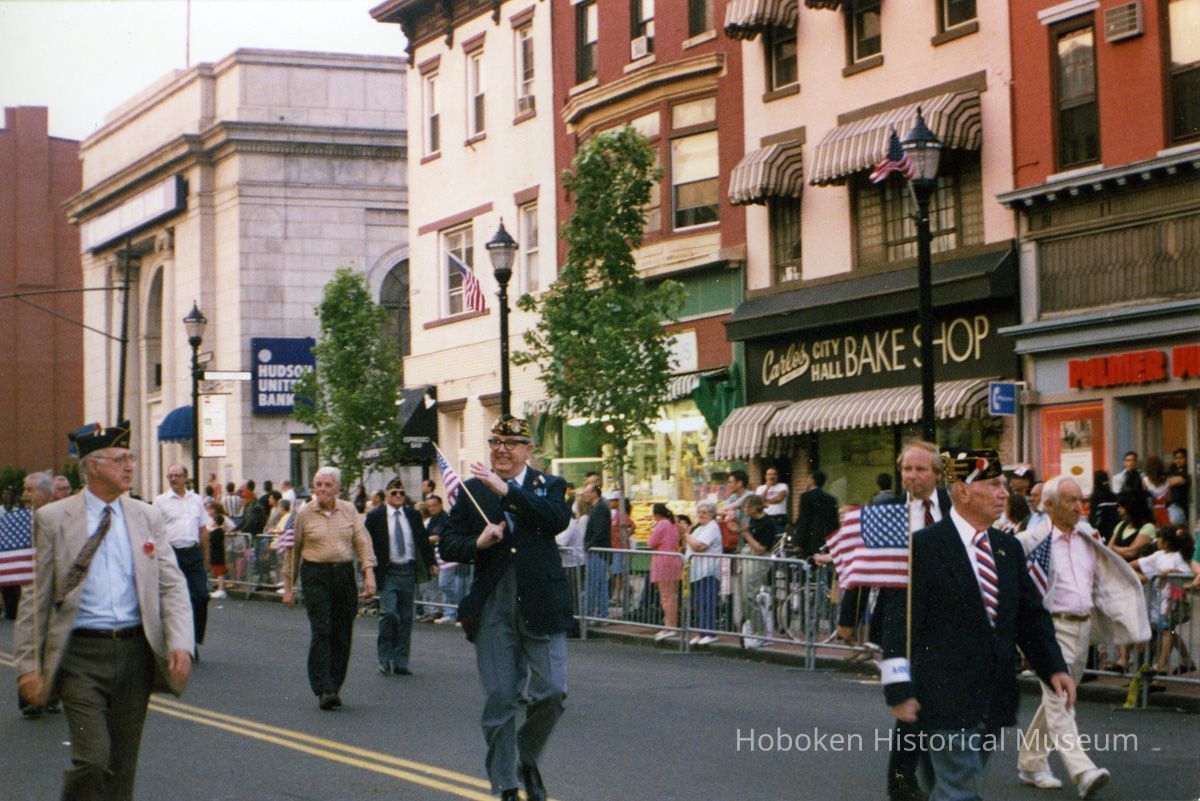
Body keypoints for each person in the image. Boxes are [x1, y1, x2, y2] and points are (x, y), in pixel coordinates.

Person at [879, 449, 1074, 801]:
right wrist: (897, 688)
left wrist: (1053, 667)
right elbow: (898, 621)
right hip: (944, 696)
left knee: (955, 785)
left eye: (1003, 485)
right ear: (963, 491)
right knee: (961, 789)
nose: (1004, 493)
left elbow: (1029, 617)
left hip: (993, 698)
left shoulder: (1007, 548)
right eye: (994, 484)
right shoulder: (924, 546)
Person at [14, 421, 193, 801]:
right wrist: (28, 666)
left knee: (122, 767)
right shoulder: (54, 519)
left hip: (134, 653)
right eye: (120, 459)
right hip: (80, 656)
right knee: (93, 759)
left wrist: (181, 642)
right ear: (93, 466)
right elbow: (36, 597)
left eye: (131, 458)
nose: (130, 466)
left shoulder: (147, 516)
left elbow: (171, 584)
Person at [438, 415, 572, 801]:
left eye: (510, 443)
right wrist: (477, 543)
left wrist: (507, 492)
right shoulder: (472, 492)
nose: (501, 449)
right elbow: (447, 542)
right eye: (495, 442)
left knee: (553, 692)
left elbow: (555, 520)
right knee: (500, 699)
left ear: (528, 450)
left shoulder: (550, 485)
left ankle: (526, 758)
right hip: (494, 605)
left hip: (540, 602)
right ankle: (506, 785)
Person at [1015, 476, 1147, 795]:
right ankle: (1082, 770)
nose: (1080, 507)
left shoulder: (1089, 535)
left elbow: (1103, 579)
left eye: (1081, 500)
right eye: (1072, 501)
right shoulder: (1029, 541)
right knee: (1061, 698)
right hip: (1050, 629)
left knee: (1055, 700)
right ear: (1049, 506)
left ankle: (1031, 762)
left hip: (1083, 626)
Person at [873, 440, 953, 801]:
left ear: (937, 473)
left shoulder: (954, 508)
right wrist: (848, 617)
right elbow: (865, 566)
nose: (912, 476)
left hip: (945, 620)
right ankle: (903, 782)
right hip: (900, 620)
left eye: (920, 469)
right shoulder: (888, 510)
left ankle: (929, 776)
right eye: (907, 469)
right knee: (906, 696)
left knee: (932, 701)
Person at [282, 466, 377, 710]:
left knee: (342, 632)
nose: (322, 489)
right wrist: (288, 587)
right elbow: (293, 551)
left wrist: (369, 573)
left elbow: (362, 541)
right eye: (318, 485)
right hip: (316, 575)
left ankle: (335, 685)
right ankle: (323, 688)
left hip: (343, 574)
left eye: (327, 485)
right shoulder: (303, 514)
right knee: (322, 629)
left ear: (337, 488)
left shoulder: (349, 510)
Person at [366, 478, 435, 675]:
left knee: (406, 617)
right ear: (386, 495)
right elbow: (366, 544)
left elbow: (422, 539)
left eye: (401, 493)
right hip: (389, 572)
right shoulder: (375, 517)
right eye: (394, 493)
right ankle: (384, 658)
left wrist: (431, 562)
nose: (398, 496)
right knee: (389, 614)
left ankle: (401, 661)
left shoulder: (412, 515)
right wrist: (367, 569)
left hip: (408, 570)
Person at [154, 465, 210, 660]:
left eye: (177, 476)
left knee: (201, 597)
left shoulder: (196, 500)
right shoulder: (161, 502)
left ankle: (193, 639)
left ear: (186, 477)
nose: (174, 479)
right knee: (174, 600)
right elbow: (155, 530)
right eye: (170, 476)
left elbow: (203, 529)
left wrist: (206, 557)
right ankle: (178, 643)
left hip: (193, 553)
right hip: (172, 554)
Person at [1133, 525, 1196, 678]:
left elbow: (1187, 574)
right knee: (1171, 632)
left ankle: (1161, 666)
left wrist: (1169, 573)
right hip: (1161, 603)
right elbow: (1134, 564)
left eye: (1160, 538)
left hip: (1171, 603)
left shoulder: (1178, 557)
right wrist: (1140, 576)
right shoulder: (1158, 555)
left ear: (1167, 542)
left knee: (1167, 632)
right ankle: (1186, 659)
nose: (1157, 540)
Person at [739, 494, 779, 649]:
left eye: (747, 507)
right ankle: (755, 630)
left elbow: (761, 548)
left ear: (755, 507)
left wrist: (746, 533)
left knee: (751, 594)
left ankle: (760, 633)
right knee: (746, 595)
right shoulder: (752, 521)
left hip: (759, 560)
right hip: (748, 558)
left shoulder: (768, 523)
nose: (745, 510)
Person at [685, 502, 723, 646]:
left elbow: (699, 546)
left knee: (707, 602)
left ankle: (710, 633)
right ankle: (701, 632)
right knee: (699, 603)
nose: (700, 514)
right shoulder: (699, 528)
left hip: (709, 571)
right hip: (697, 571)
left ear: (712, 514)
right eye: (699, 512)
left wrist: (686, 535)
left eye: (704, 512)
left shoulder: (712, 527)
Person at [426, 495, 465, 626]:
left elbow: (439, 536)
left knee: (447, 585)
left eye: (434, 505)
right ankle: (450, 613)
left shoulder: (446, 518)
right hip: (437, 557)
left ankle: (456, 611)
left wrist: (429, 539)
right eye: (429, 506)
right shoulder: (432, 520)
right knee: (445, 586)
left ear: (441, 505)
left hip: (448, 557)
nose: (431, 508)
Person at [647, 503, 682, 642]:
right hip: (673, 561)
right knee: (672, 596)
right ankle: (672, 625)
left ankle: (669, 627)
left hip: (663, 562)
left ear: (656, 514)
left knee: (666, 597)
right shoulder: (673, 524)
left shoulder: (661, 524)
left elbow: (650, 542)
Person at [793, 470, 838, 558]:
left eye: (808, 478)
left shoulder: (806, 497)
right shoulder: (831, 499)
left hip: (809, 539)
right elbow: (834, 522)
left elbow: (804, 520)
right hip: (826, 539)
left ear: (813, 480)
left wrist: (798, 542)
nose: (807, 480)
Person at [582, 483, 611, 619]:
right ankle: (601, 614)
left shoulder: (599, 508)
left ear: (594, 493)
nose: (584, 495)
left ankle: (594, 614)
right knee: (600, 585)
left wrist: (589, 545)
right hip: (599, 551)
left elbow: (599, 531)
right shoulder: (600, 507)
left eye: (587, 492)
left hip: (598, 552)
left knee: (595, 584)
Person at [204, 500, 232, 598]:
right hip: (219, 554)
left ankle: (221, 589)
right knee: (219, 572)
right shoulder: (220, 531)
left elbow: (211, 541)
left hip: (216, 555)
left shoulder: (216, 532)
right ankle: (220, 588)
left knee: (219, 572)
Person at [1087, 471, 1119, 542]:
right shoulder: (1114, 496)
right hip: (1115, 533)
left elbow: (1095, 519)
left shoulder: (1096, 497)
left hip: (1102, 534)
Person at [1142, 456, 1171, 528]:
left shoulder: (1145, 481)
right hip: (1164, 512)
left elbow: (1144, 497)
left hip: (1151, 512)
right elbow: (1169, 498)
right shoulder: (1166, 481)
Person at [1165, 448, 1190, 525]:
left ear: (1186, 458)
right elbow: (1162, 477)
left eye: (1181, 458)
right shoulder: (1172, 470)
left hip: (1181, 505)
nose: (1178, 461)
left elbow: (1180, 480)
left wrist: (1169, 480)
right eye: (1176, 458)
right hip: (1170, 505)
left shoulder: (1188, 470)